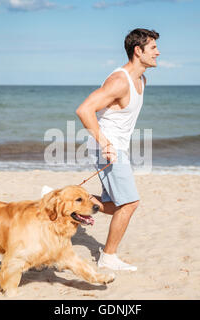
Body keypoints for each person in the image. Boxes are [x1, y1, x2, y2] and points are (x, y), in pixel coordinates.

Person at [75, 28, 160, 271]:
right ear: (138, 50)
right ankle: (108, 256)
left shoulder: (141, 79)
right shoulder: (119, 81)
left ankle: (65, 199)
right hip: (107, 148)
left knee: (113, 205)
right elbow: (84, 110)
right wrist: (106, 145)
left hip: (115, 147)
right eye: (153, 48)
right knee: (130, 203)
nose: (158, 52)